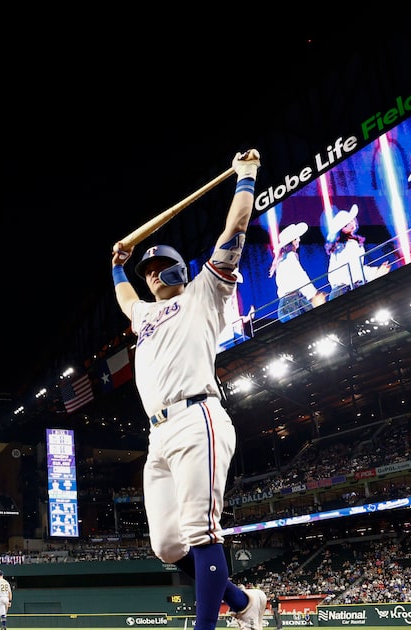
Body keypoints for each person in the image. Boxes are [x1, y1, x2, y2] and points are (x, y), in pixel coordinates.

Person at [111, 150, 267, 630]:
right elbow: (125, 299)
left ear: (180, 269)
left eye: (160, 265)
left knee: (201, 533)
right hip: (159, 434)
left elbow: (235, 228)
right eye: (148, 270)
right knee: (166, 545)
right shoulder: (144, 316)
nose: (153, 272)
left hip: (199, 417)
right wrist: (119, 266)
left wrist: (246, 176)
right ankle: (243, 602)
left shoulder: (206, 291)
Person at [324, 204, 390, 300]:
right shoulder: (349, 244)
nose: (351, 224)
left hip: (339, 290)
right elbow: (355, 270)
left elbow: (354, 268)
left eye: (351, 220)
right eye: (347, 224)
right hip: (347, 289)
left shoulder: (338, 247)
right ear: (342, 230)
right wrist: (375, 273)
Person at [269, 222, 325, 322]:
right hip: (293, 303)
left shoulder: (281, 260)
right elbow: (300, 277)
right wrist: (313, 295)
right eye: (296, 238)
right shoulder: (290, 256)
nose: (299, 240)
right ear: (292, 241)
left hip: (286, 304)